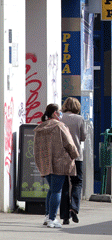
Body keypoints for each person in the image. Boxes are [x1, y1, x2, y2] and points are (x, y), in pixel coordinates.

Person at [34, 103, 79, 229]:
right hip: (60, 162)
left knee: (52, 189)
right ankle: (52, 219)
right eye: (59, 111)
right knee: (56, 190)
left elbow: (36, 148)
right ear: (54, 113)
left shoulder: (40, 128)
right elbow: (69, 143)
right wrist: (75, 155)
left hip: (45, 163)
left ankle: (48, 216)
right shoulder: (59, 126)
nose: (60, 113)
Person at [59, 97, 86, 225]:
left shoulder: (59, 118)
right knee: (77, 182)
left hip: (62, 155)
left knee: (64, 184)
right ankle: (74, 208)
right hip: (76, 156)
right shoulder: (80, 119)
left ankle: (64, 216)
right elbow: (83, 137)